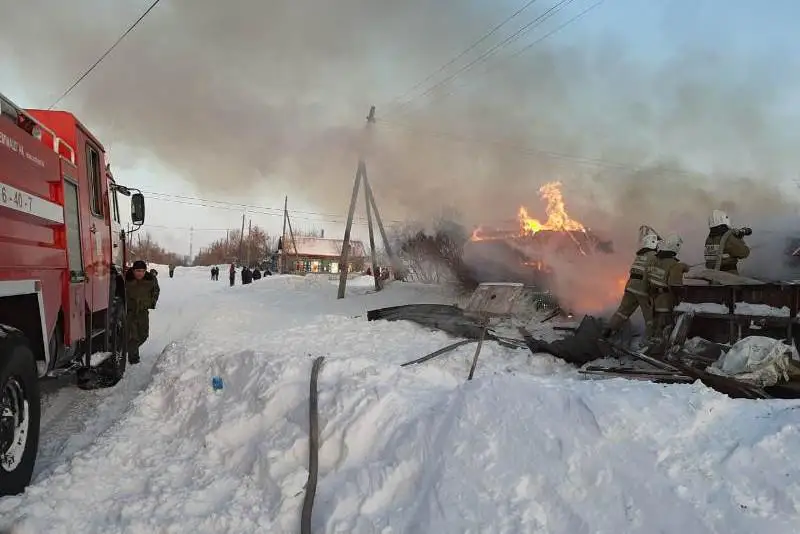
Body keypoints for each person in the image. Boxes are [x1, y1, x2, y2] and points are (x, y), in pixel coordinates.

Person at [603, 232, 660, 339]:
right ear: (653, 244)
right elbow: (654, 274)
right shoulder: (654, 257)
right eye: (657, 244)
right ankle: (650, 341)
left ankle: (608, 331)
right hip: (643, 290)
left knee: (622, 312)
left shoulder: (640, 256)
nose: (658, 246)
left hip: (630, 288)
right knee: (651, 318)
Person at [647, 233, 689, 343]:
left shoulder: (654, 260)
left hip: (652, 299)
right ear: (676, 247)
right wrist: (683, 295)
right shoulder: (674, 264)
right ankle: (659, 350)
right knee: (665, 327)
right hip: (665, 302)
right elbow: (675, 285)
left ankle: (651, 345)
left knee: (654, 325)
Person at [125, 260, 160, 365]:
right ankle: (133, 358)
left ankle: (128, 349)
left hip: (143, 312)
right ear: (133, 270)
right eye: (137, 271)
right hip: (130, 312)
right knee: (133, 337)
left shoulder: (150, 279)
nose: (140, 273)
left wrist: (152, 302)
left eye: (142, 271)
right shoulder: (126, 278)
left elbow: (156, 290)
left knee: (144, 335)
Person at [704, 209, 751, 275]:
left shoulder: (709, 239)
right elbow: (744, 253)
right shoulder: (728, 237)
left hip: (711, 274)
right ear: (725, 220)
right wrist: (740, 239)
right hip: (728, 275)